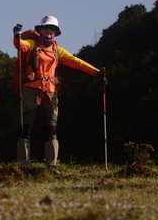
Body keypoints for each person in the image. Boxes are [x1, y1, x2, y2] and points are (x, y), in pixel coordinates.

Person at [13, 15, 103, 175]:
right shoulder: (33, 44)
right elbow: (21, 46)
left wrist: (96, 73)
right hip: (31, 88)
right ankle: (23, 167)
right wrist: (17, 36)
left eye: (52, 29)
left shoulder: (56, 50)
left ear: (55, 32)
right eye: (47, 28)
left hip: (51, 92)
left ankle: (52, 167)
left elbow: (76, 62)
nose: (49, 31)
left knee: (51, 129)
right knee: (25, 127)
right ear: (40, 29)